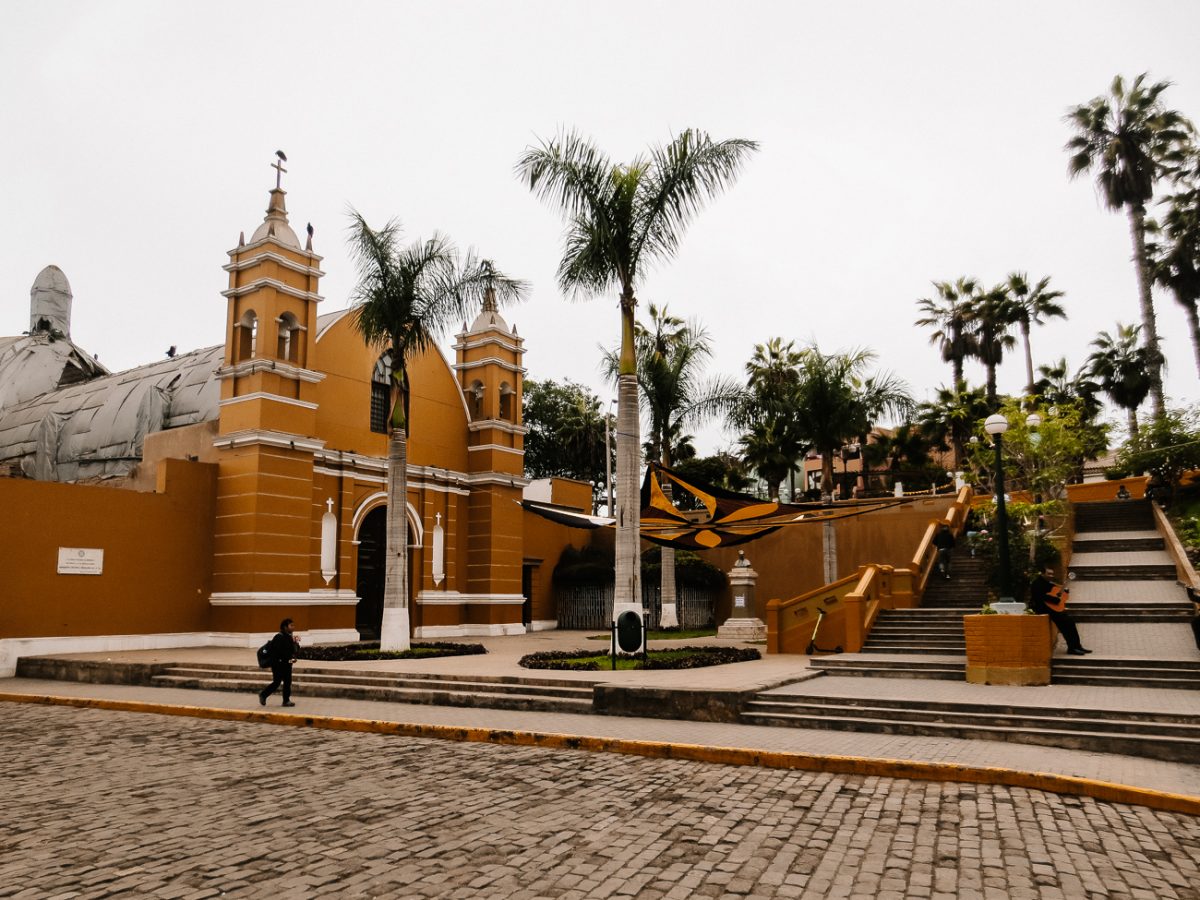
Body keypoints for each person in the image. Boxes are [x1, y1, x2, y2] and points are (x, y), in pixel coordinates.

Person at [1029, 567, 1091, 656]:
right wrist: (1056, 600)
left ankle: (1077, 646)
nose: (1051, 576)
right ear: (1042, 574)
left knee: (1070, 622)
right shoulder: (1037, 584)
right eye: (1049, 574)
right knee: (1066, 624)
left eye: (1052, 574)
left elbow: (1057, 591)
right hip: (1044, 609)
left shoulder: (1048, 583)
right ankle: (1072, 648)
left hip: (1053, 609)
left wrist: (1064, 591)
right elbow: (1041, 597)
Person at [259, 618, 299, 707]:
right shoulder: (278, 637)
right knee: (277, 682)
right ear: (285, 627)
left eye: (293, 625)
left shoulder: (289, 637)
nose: (293, 627)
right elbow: (277, 651)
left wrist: (296, 643)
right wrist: (286, 657)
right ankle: (263, 695)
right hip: (278, 664)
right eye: (291, 625)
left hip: (287, 664)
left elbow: (293, 651)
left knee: (288, 682)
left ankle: (286, 701)